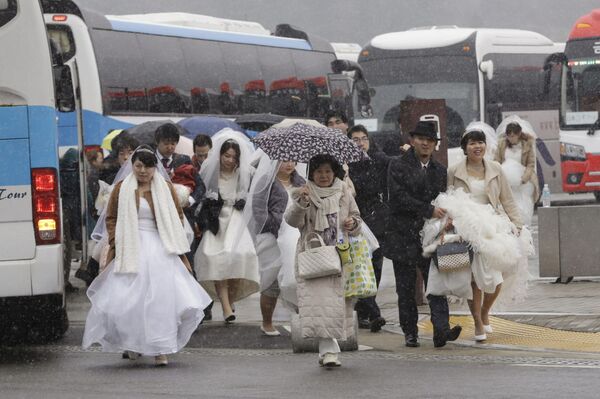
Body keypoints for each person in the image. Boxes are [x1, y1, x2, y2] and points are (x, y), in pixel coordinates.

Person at [82, 146, 211, 366]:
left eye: (148, 167)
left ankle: (161, 348)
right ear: (132, 166)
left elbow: (177, 215)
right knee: (130, 300)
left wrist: (171, 235)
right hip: (130, 245)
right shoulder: (122, 188)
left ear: (154, 168)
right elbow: (111, 217)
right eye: (138, 166)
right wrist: (116, 240)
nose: (143, 171)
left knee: (162, 299)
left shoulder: (165, 188)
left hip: (160, 247)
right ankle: (133, 343)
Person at [385, 121, 462, 348]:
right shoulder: (397, 165)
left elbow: (444, 200)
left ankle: (441, 330)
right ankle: (410, 332)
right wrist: (427, 210)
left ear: (435, 145)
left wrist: (447, 219)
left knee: (437, 284)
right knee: (406, 288)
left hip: (432, 236)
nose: (425, 143)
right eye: (421, 139)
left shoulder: (439, 170)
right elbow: (397, 197)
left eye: (430, 140)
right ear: (412, 141)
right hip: (403, 235)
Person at [285, 154, 361, 368]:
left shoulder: (343, 191)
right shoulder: (304, 191)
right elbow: (292, 221)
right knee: (319, 304)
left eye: (328, 171)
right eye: (319, 172)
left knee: (334, 304)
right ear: (312, 173)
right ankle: (329, 350)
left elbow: (357, 218)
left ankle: (327, 347)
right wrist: (302, 203)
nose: (324, 176)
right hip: (313, 256)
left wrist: (352, 223)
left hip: (339, 255)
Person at [448, 129, 523, 341]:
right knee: (475, 279)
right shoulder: (454, 170)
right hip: (467, 227)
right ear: (465, 148)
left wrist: (517, 223)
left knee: (496, 277)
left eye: (480, 142)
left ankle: (484, 311)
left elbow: (507, 199)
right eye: (472, 143)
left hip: (492, 224)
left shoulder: (496, 169)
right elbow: (449, 198)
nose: (477, 147)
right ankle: (478, 323)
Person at [194, 130, 259, 323]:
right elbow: (201, 195)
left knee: (240, 258)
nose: (230, 160)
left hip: (236, 220)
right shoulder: (210, 172)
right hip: (216, 220)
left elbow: (256, 191)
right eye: (226, 155)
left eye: (234, 157)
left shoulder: (245, 173)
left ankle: (229, 300)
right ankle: (225, 306)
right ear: (220, 155)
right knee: (216, 260)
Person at [245, 154, 306, 335]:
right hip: (271, 237)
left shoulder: (301, 182)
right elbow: (258, 210)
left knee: (296, 276)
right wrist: (277, 224)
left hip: (295, 235)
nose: (289, 164)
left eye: (292, 160)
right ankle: (267, 321)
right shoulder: (266, 182)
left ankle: (302, 318)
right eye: (284, 160)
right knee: (271, 280)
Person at [347, 125, 389, 332]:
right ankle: (373, 312)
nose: (360, 143)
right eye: (355, 139)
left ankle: (365, 311)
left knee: (375, 267)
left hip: (376, 219)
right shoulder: (344, 165)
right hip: (354, 221)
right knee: (361, 266)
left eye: (364, 139)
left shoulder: (378, 160)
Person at [494, 121, 539, 226]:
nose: (510, 138)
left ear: (519, 134)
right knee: (507, 209)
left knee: (523, 209)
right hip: (506, 183)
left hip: (523, 183)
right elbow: (496, 161)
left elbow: (530, 164)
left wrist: (524, 178)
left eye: (513, 136)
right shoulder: (501, 144)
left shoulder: (527, 145)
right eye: (508, 136)